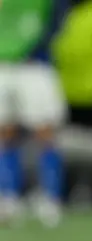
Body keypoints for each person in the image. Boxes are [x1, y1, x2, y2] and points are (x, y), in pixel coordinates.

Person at [0, 0, 67, 227]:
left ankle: (50, 197)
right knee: (5, 132)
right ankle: (8, 196)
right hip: (4, 62)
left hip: (34, 64)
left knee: (45, 132)